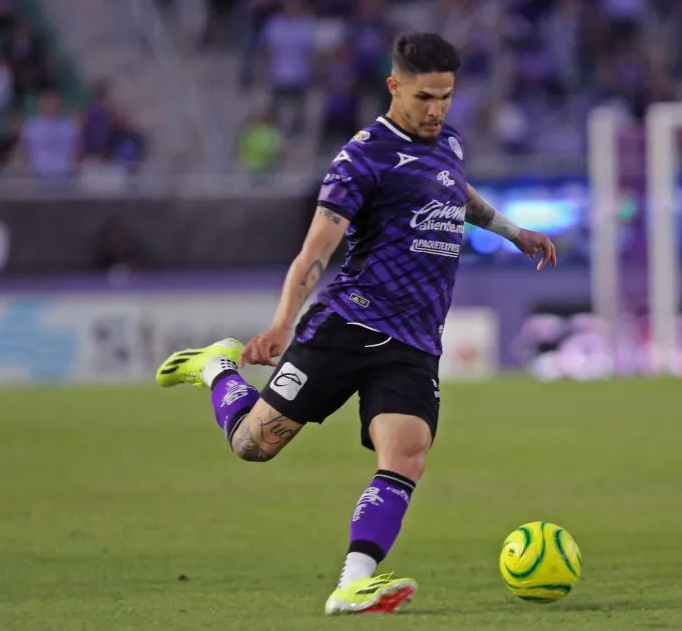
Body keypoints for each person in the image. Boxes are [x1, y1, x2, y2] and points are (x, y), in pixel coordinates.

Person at [154, 32, 557, 615]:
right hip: (349, 324)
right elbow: (316, 248)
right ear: (394, 87)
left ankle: (353, 582)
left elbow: (456, 192)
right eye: (424, 97)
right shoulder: (363, 156)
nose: (437, 110)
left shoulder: (448, 143)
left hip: (415, 339)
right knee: (253, 445)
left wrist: (514, 233)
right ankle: (216, 366)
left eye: (446, 97)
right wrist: (282, 322)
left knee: (407, 454)